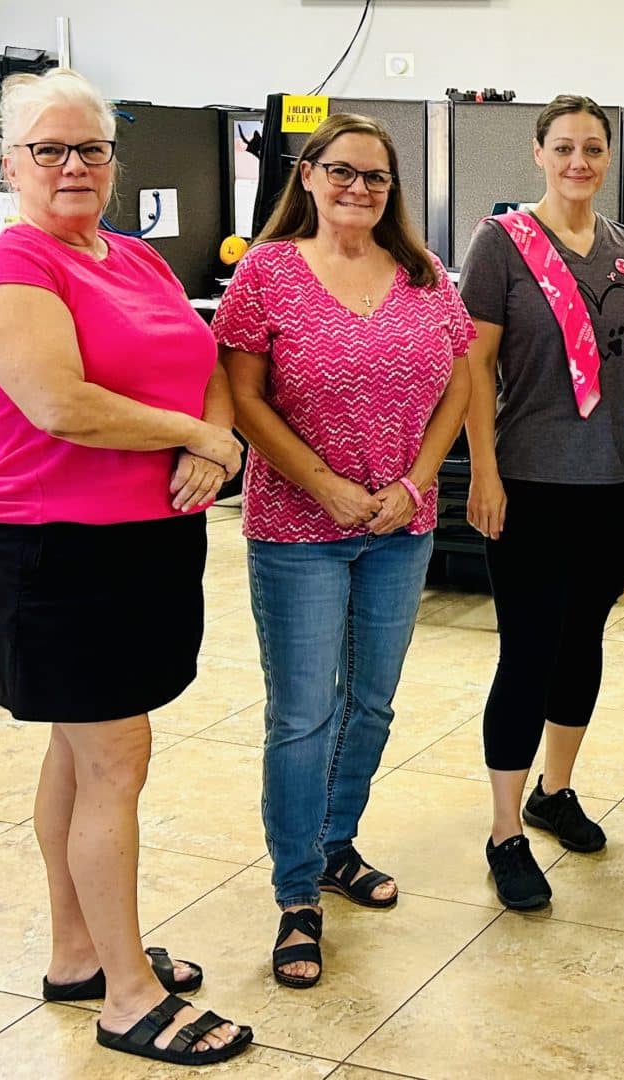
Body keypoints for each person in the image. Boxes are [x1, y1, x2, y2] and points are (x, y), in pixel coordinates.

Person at [0, 68, 250, 1066]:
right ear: (8, 164)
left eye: (89, 148)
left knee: (78, 756)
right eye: (48, 149)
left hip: (145, 543)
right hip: (59, 551)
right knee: (112, 761)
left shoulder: (133, 259)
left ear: (114, 163)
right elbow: (59, 403)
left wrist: (212, 439)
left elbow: (210, 363)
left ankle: (76, 953)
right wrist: (195, 438)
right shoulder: (7, 264)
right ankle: (127, 998)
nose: (73, 165)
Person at [212, 113, 472, 988]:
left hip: (401, 528)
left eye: (377, 177)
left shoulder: (426, 275)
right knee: (301, 715)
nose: (359, 188)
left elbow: (460, 382)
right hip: (297, 532)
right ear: (310, 175)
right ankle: (296, 896)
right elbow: (242, 397)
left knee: (372, 703)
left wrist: (416, 485)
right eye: (343, 171)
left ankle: (336, 846)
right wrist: (323, 483)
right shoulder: (268, 272)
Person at [458, 94, 624, 910]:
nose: (579, 162)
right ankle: (506, 830)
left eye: (592, 149)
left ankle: (556, 791)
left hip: (619, 477)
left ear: (608, 157)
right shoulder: (500, 245)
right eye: (564, 148)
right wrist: (483, 470)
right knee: (528, 651)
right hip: (535, 480)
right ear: (538, 154)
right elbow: (473, 367)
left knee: (584, 640)